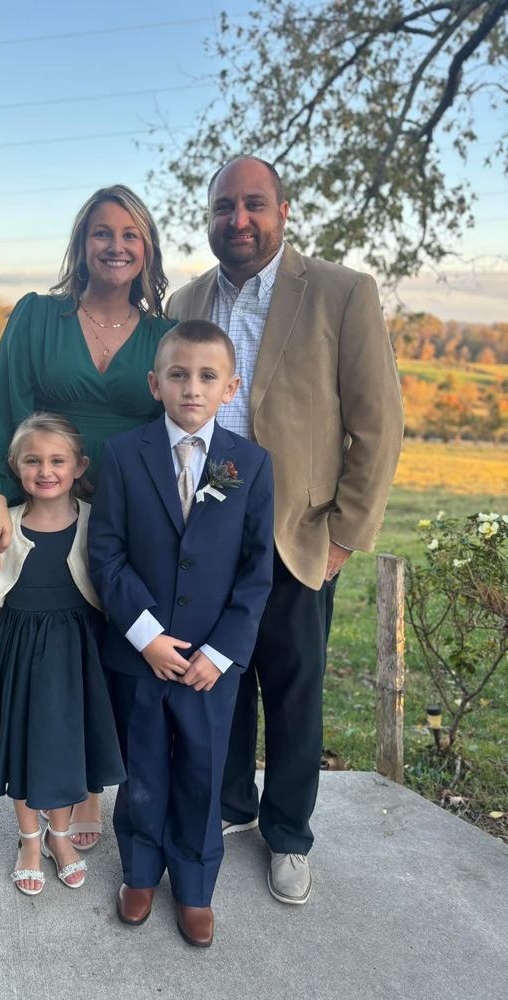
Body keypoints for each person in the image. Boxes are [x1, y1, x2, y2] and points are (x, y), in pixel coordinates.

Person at [167, 156, 404, 905]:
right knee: (219, 683)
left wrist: (341, 538)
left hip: (297, 539)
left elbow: (378, 424)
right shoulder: (185, 300)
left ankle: (290, 832)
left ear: (284, 211)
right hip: (203, 536)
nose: (238, 219)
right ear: (207, 217)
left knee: (293, 692)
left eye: (254, 204)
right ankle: (233, 806)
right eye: (223, 207)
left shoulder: (341, 293)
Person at [0, 185, 175, 848]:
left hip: (131, 517)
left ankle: (90, 786)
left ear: (147, 250)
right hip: (46, 510)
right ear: (82, 245)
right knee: (46, 649)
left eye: (130, 235)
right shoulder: (36, 317)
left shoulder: (167, 336)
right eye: (102, 233)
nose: (116, 246)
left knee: (109, 656)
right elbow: (3, 404)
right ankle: (43, 788)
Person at [88, 320, 274, 947]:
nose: (191, 387)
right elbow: (106, 554)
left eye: (206, 376)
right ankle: (140, 870)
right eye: (178, 374)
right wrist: (145, 635)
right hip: (141, 653)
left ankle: (195, 886)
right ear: (155, 382)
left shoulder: (244, 464)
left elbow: (255, 572)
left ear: (230, 387)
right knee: (143, 768)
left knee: (203, 768)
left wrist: (221, 651)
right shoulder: (123, 455)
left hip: (209, 662)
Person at [0, 412, 126, 896]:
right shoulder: (3, 527)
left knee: (66, 750)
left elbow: (114, 592)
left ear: (79, 466)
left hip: (78, 659)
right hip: (18, 657)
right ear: (15, 467)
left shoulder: (97, 523)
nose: (45, 470)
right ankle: (29, 842)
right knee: (27, 751)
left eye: (57, 460)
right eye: (32, 460)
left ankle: (60, 836)